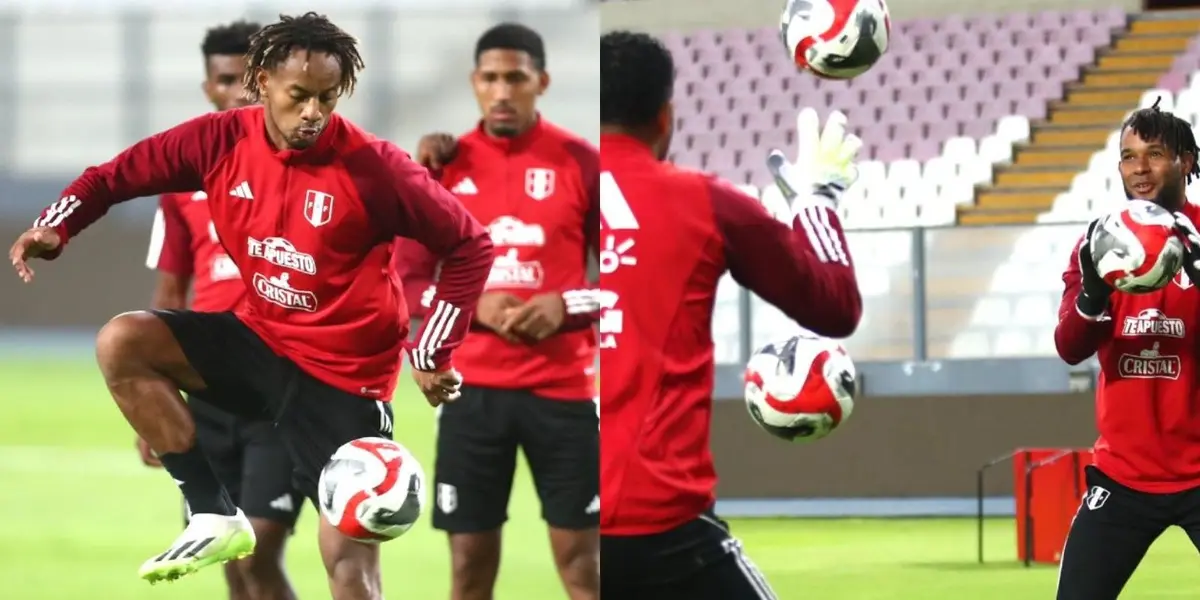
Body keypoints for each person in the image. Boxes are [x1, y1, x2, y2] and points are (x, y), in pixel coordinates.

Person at [9, 12, 492, 598]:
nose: (313, 112)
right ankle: (212, 511)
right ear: (262, 81)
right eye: (299, 96)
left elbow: (469, 242)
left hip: (346, 382)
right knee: (123, 342)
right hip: (262, 343)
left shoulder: (375, 168)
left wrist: (434, 347)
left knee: (349, 557)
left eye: (327, 98)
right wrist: (57, 225)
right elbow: (116, 175)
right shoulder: (219, 140)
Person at [598, 31, 863, 599]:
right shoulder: (704, 202)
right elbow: (835, 305)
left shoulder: (540, 200)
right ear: (665, 117)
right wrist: (817, 199)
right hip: (662, 522)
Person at [393, 23, 600, 600]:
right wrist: (471, 305)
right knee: (468, 572)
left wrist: (567, 305)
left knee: (585, 568)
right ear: (474, 83)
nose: (503, 90)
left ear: (543, 82)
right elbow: (405, 280)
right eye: (491, 78)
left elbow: (627, 280)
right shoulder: (442, 168)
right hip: (470, 394)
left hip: (565, 393)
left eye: (517, 77)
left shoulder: (582, 164)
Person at [137, 20, 307, 600]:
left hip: (278, 384)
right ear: (209, 87)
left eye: (249, 80)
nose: (240, 92)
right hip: (208, 388)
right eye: (227, 80)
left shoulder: (300, 169)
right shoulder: (184, 179)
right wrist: (156, 402)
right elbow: (170, 292)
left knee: (259, 548)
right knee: (228, 555)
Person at [1054, 102, 1200, 600]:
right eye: (1128, 156)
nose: (1139, 168)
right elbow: (1068, 348)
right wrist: (1092, 294)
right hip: (1124, 477)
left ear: (1187, 161)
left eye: (1154, 154)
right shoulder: (1099, 243)